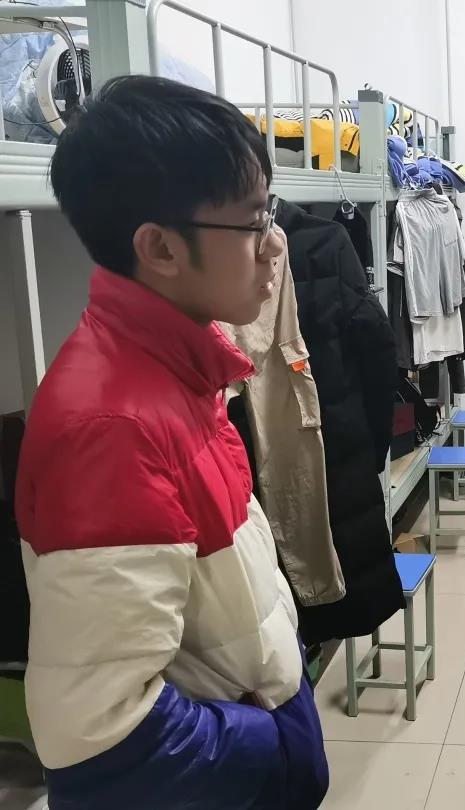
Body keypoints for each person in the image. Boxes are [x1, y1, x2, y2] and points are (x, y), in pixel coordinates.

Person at [15, 75, 329, 809]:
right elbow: (103, 737)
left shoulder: (180, 371)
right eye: (253, 221)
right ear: (159, 247)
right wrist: (274, 742)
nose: (275, 244)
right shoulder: (111, 430)